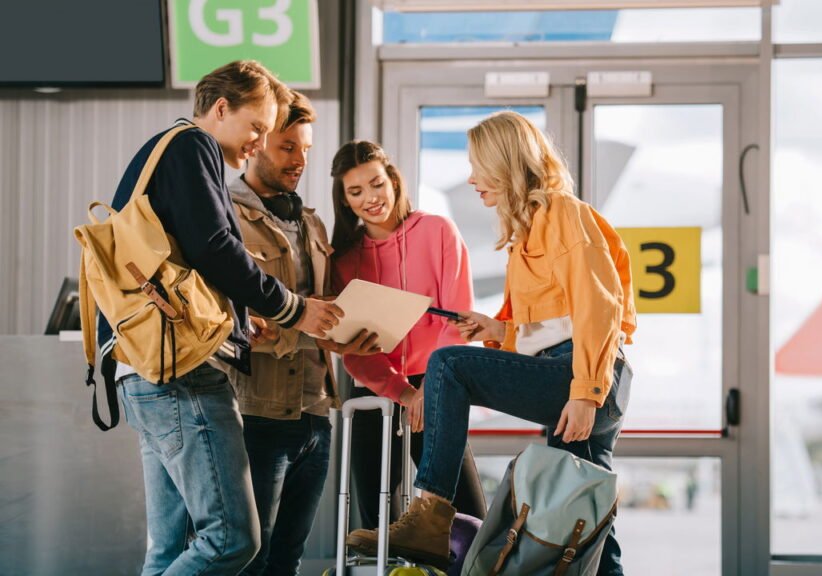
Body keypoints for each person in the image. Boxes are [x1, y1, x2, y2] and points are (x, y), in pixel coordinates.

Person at [345, 111, 636, 575]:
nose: (472, 178)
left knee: (449, 365)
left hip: (586, 377)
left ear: (505, 163)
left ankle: (430, 516)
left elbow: (599, 309)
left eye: (478, 165)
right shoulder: (527, 232)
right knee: (581, 513)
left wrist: (585, 393)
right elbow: (557, 323)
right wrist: (500, 331)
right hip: (576, 371)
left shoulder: (563, 214)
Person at [102, 61, 345, 575]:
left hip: (144, 370)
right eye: (257, 127)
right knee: (231, 539)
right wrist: (294, 309)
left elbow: (188, 252)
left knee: (170, 549)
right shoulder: (194, 146)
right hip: (180, 372)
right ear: (220, 109)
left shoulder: (167, 147)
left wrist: (236, 322)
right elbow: (215, 246)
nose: (257, 143)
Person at [227, 91, 379, 576]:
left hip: (315, 413)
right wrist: (312, 329)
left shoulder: (310, 221)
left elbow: (320, 311)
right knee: (249, 558)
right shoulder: (224, 213)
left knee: (287, 561)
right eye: (288, 147)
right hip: (257, 412)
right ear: (257, 144)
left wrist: (349, 332)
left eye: (306, 149)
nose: (300, 161)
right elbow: (246, 322)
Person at [329, 140, 488, 532]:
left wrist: (427, 389)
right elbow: (355, 350)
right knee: (376, 524)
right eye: (356, 191)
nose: (371, 198)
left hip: (437, 386)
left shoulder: (437, 232)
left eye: (377, 184)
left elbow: (456, 321)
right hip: (375, 391)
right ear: (345, 201)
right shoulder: (344, 261)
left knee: (466, 515)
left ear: (394, 182)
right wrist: (402, 392)